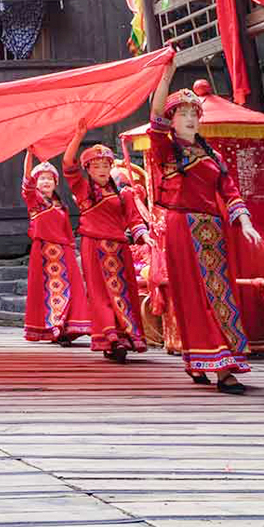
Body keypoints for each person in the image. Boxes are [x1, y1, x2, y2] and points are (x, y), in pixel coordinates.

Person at [149, 58, 261, 395]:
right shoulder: (165, 148)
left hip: (214, 231)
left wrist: (244, 221)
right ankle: (221, 368)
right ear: (172, 120)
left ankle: (203, 359)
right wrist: (166, 74)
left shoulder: (211, 156)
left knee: (219, 292)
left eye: (193, 113)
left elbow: (229, 191)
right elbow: (153, 116)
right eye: (182, 114)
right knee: (195, 295)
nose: (189, 118)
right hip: (182, 226)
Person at [63, 128, 151, 363]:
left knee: (123, 291)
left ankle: (125, 335)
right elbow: (68, 163)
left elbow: (133, 220)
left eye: (105, 166)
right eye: (96, 166)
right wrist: (78, 134)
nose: (102, 171)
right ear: (88, 170)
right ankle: (109, 338)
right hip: (94, 246)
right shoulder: (82, 190)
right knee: (101, 293)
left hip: (119, 248)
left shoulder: (124, 194)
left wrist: (145, 237)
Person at [21, 151, 91, 345]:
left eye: (49, 179)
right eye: (42, 179)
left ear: (55, 183)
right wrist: (29, 154)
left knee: (70, 289)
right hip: (42, 251)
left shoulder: (62, 206)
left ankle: (65, 327)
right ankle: (53, 327)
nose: (45, 182)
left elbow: (68, 232)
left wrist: (72, 249)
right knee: (47, 291)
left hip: (63, 251)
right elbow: (26, 179)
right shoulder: (34, 201)